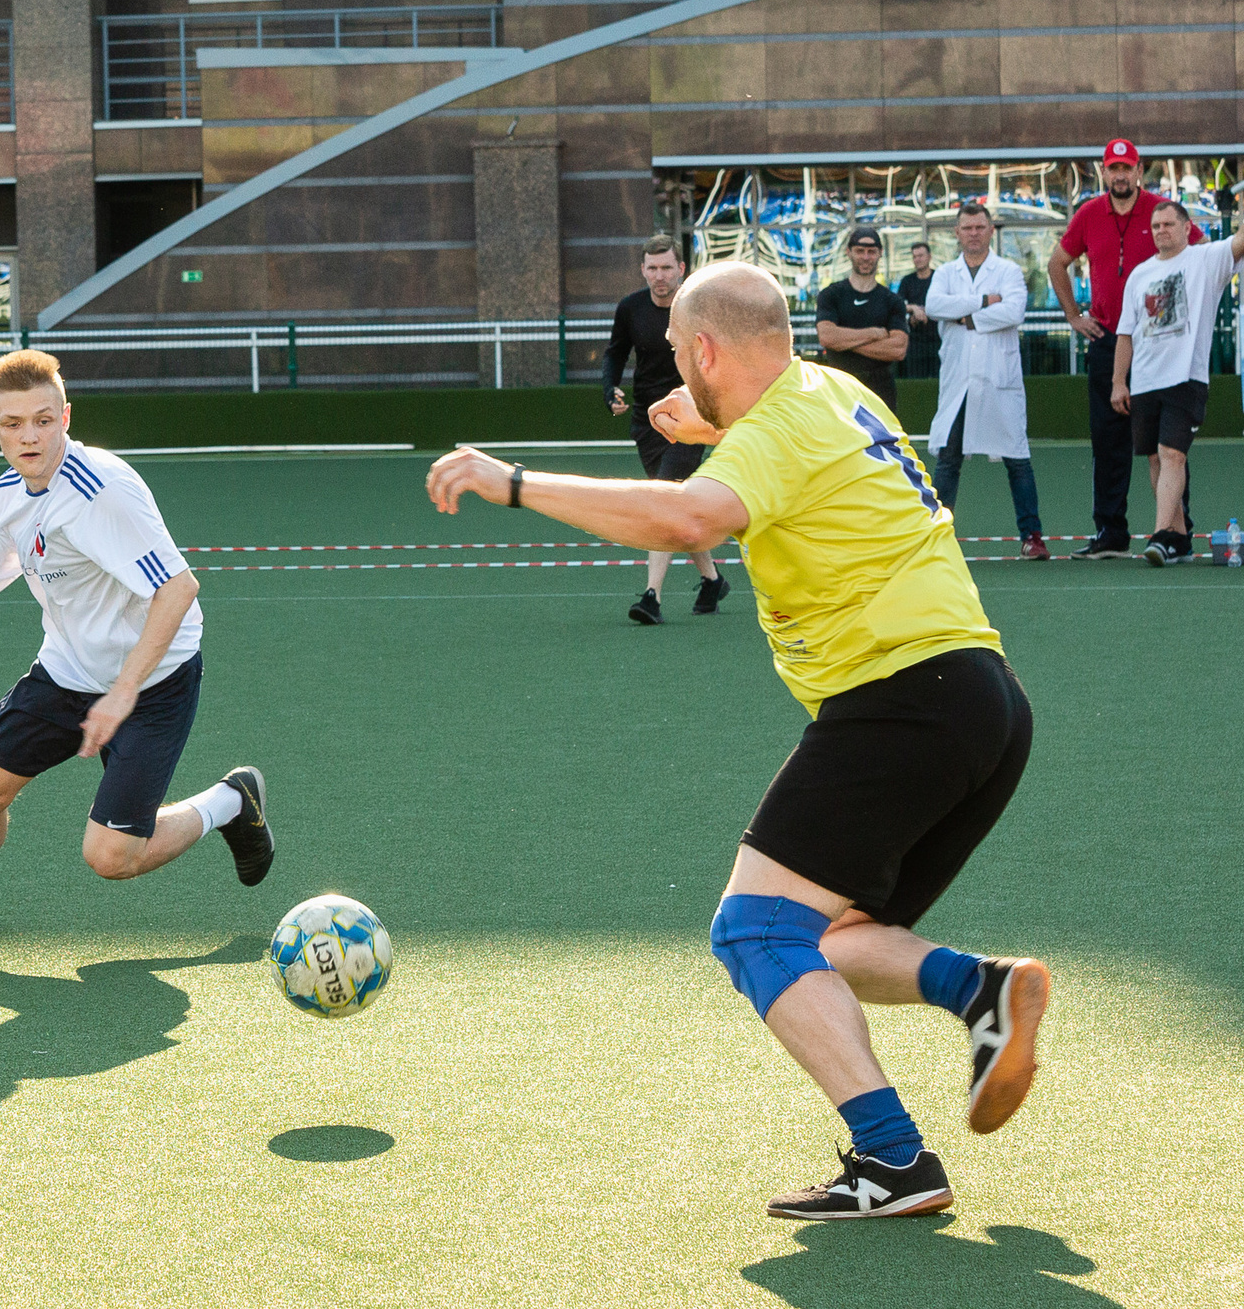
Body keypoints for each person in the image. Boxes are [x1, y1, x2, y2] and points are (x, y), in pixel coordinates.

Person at [424, 261, 1050, 1220]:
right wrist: (716, 426)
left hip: (901, 698)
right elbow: (791, 457)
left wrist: (512, 481)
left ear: (706, 348)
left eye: (679, 353)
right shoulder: (833, 392)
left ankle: (893, 1160)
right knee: (827, 938)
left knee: (754, 929)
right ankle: (981, 991)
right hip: (985, 701)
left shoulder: (776, 431)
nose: (674, 368)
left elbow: (685, 517)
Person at [0, 348, 275, 936]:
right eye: (13, 424)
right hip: (68, 672)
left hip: (153, 681)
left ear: (66, 417)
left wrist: (122, 694)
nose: (30, 437)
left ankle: (230, 801)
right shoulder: (5, 499)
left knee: (110, 857)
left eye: (44, 420)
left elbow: (178, 589)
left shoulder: (102, 491)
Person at [1053, 140, 1203, 558]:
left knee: (1168, 444)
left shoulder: (1161, 213)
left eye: (1127, 167)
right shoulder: (1087, 214)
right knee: (1107, 441)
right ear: (1103, 172)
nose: (1120, 175)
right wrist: (1073, 316)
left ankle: (1178, 531)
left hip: (1158, 345)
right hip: (1106, 340)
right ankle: (1111, 534)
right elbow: (1056, 263)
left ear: (1139, 171)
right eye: (1113, 168)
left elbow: (1200, 253)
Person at [1114, 197, 1244, 564]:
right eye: (1155, 226)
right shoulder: (1139, 275)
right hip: (1145, 381)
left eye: (1168, 224)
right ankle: (1180, 540)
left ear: (1186, 228)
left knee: (1172, 454)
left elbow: (1241, 239)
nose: (1161, 231)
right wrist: (1119, 382)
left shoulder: (1205, 260)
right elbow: (1125, 333)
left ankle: (1160, 536)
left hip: (1185, 378)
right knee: (1155, 458)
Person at [603, 235, 731, 625]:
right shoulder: (630, 308)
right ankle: (712, 580)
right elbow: (615, 353)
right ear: (643, 270)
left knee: (663, 499)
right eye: (652, 268)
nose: (659, 276)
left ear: (681, 270)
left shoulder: (699, 308)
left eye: (666, 268)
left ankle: (651, 596)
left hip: (692, 416)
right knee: (675, 503)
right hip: (647, 419)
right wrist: (610, 389)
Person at [926, 202, 1050, 561]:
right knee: (949, 459)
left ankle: (1032, 536)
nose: (974, 233)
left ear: (991, 230)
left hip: (998, 379)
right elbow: (935, 306)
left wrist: (967, 317)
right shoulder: (946, 273)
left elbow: (1014, 311)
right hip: (959, 379)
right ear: (957, 233)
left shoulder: (1008, 271)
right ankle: (936, 535)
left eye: (980, 227)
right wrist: (982, 301)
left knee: (1017, 457)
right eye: (967, 228)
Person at [814, 226, 910, 410]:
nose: (866, 257)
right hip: (840, 388)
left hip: (880, 392)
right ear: (848, 252)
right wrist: (874, 333)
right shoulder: (831, 294)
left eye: (871, 252)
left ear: (880, 253)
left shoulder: (892, 301)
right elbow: (827, 337)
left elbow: (898, 349)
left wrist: (845, 342)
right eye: (860, 251)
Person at [897, 241, 940, 379]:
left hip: (938, 339)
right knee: (915, 382)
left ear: (929, 257)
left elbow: (948, 304)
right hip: (915, 342)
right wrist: (914, 309)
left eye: (921, 255)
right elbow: (898, 306)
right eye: (915, 256)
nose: (917, 259)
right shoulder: (907, 281)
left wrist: (928, 312)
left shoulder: (939, 278)